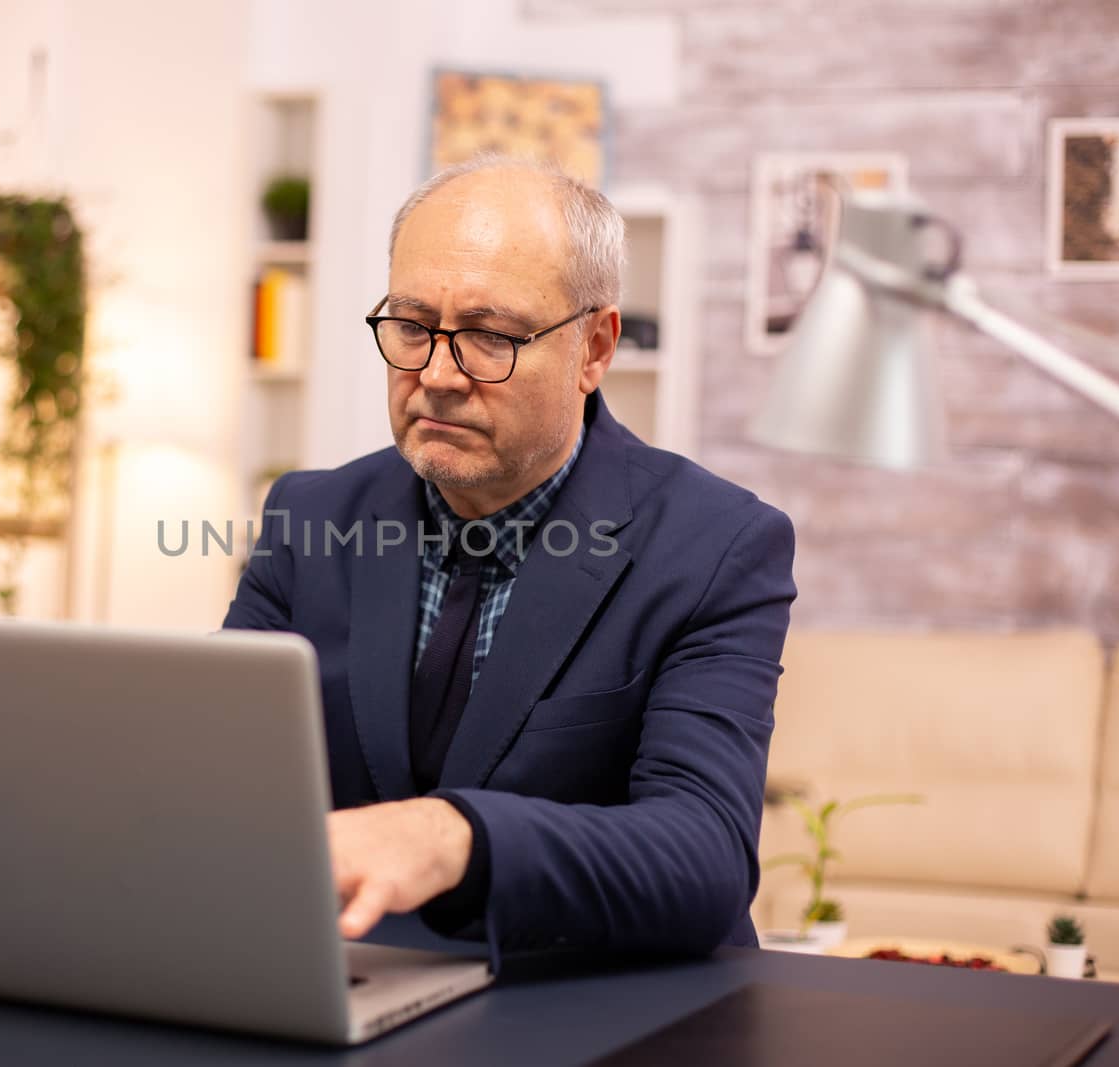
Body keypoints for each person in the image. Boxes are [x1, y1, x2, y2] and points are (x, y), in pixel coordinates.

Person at [222, 155, 796, 958]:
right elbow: (215, 774)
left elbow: (702, 859)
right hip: (353, 988)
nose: (438, 375)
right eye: (413, 327)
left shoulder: (717, 545)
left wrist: (455, 837)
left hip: (606, 1013)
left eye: (491, 336)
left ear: (594, 348)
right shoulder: (309, 516)